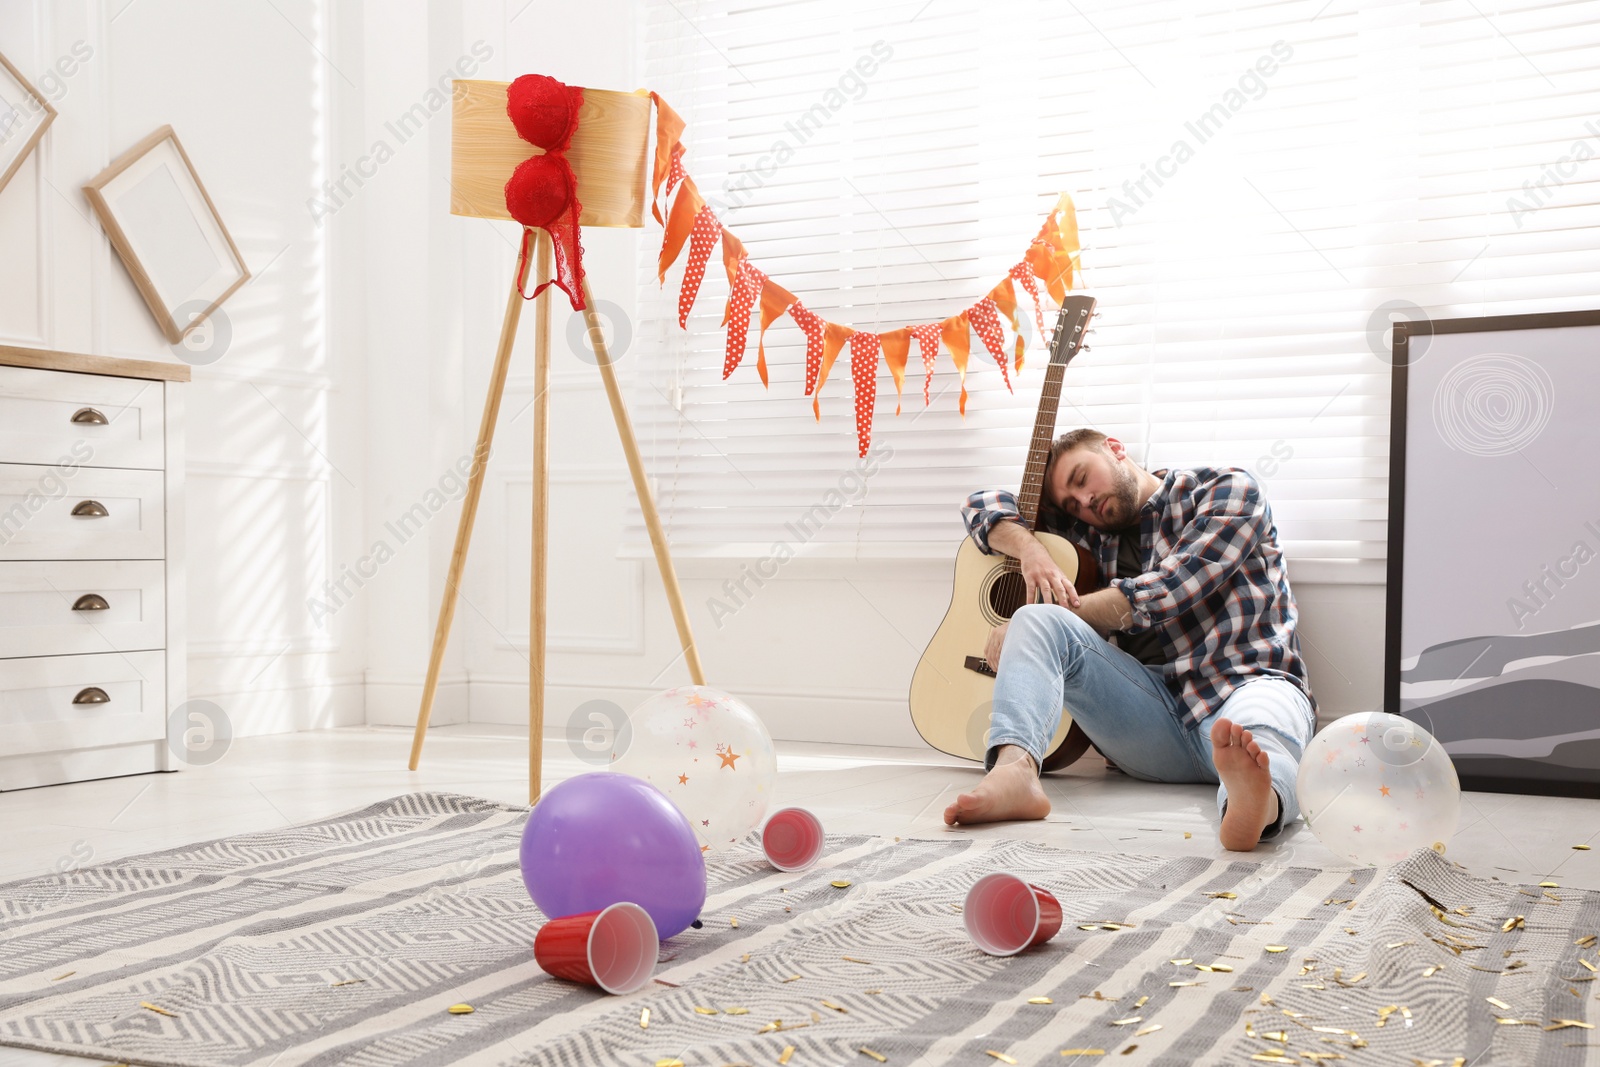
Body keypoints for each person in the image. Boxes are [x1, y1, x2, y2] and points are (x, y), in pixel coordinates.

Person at [944, 429, 1316, 851]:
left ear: (1116, 449)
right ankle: (1014, 772)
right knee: (1035, 619)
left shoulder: (1226, 491)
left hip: (1244, 686)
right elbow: (980, 504)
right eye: (1071, 504)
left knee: (1262, 736)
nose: (1084, 503)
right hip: (1152, 720)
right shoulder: (1087, 537)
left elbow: (1170, 590)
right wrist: (1032, 551)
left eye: (1083, 479)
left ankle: (1255, 805)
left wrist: (1061, 606)